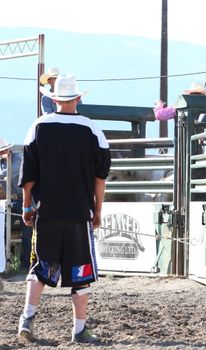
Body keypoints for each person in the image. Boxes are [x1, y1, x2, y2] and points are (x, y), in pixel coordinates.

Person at [17, 75, 111, 343]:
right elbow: (100, 177)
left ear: (54, 99)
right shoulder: (92, 130)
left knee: (40, 266)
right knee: (81, 271)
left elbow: (29, 174)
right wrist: (97, 210)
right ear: (78, 98)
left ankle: (26, 319)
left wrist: (27, 206)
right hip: (79, 212)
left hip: (47, 211)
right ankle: (79, 329)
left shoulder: (38, 127)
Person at [0, 142, 33, 270]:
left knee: (27, 232)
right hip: (7, 200)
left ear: (9, 149)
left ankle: (25, 264)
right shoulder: (1, 163)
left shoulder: (20, 159)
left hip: (22, 199)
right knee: (3, 231)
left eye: (3, 150)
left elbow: (23, 177)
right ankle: (4, 263)